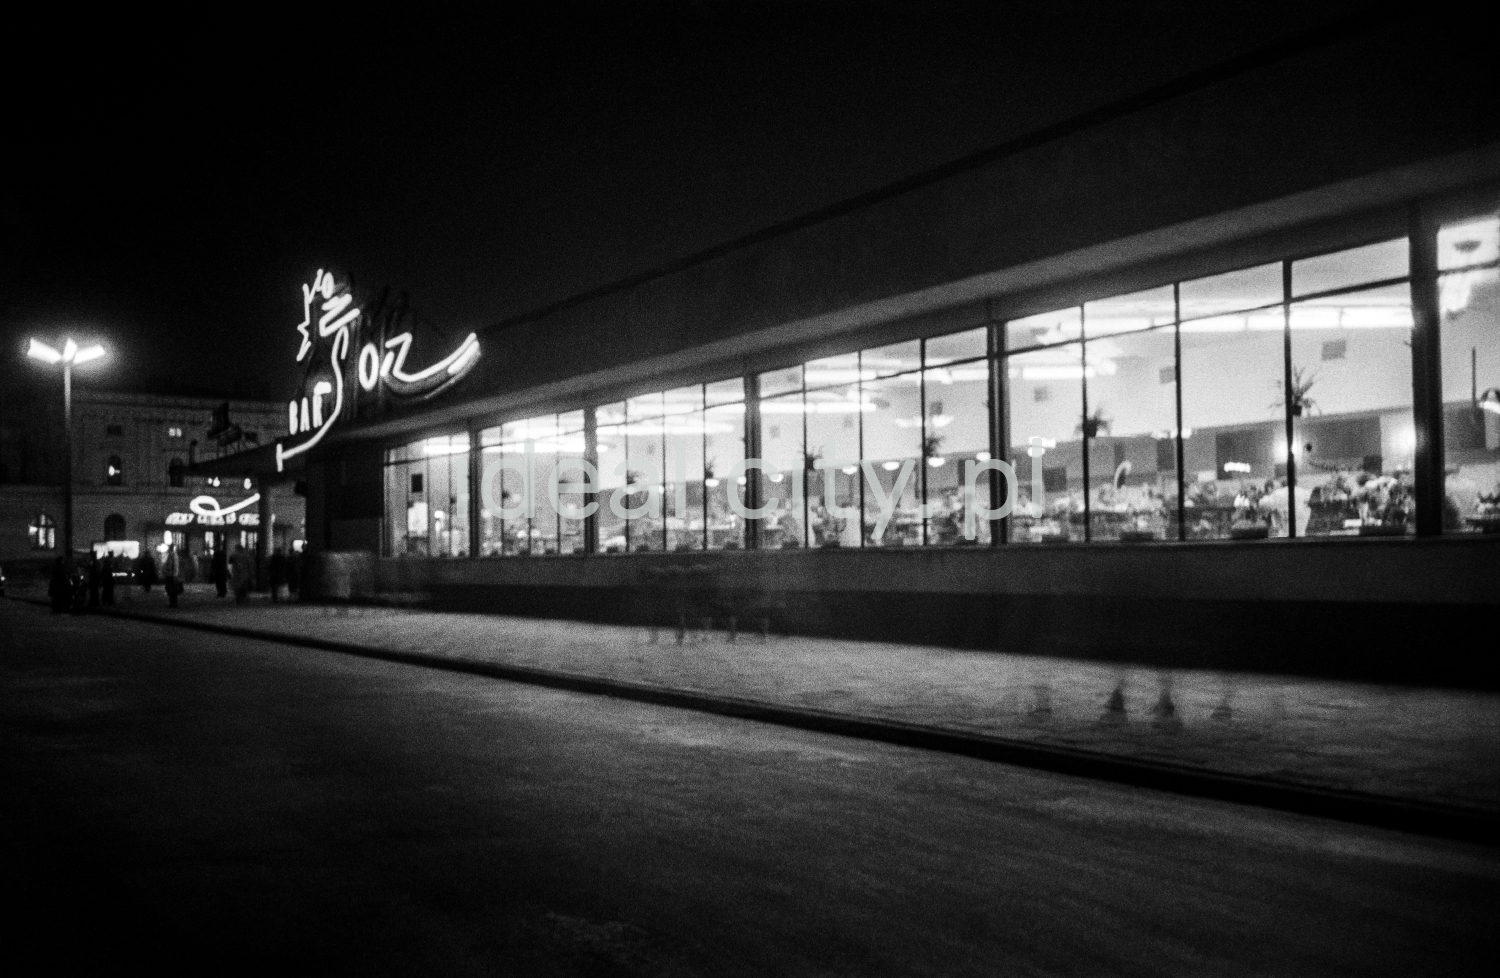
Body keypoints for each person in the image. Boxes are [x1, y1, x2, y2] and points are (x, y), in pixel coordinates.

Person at [161, 543, 182, 608]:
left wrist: (175, 575)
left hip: (172, 575)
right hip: (169, 575)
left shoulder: (174, 555)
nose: (169, 548)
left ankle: (174, 603)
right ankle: (172, 603)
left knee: (173, 590)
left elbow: (176, 566)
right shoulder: (170, 555)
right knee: (169, 589)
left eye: (170, 547)